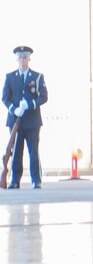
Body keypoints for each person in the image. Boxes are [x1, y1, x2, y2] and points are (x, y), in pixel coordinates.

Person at [3, 46, 48, 189]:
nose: (22, 60)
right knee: (16, 151)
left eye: (25, 57)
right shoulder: (9, 77)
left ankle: (36, 180)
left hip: (32, 121)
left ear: (29, 58)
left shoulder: (37, 76)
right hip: (15, 121)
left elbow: (44, 97)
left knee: (33, 151)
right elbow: (5, 98)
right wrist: (14, 109)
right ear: (16, 59)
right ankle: (15, 180)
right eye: (20, 57)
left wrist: (29, 104)